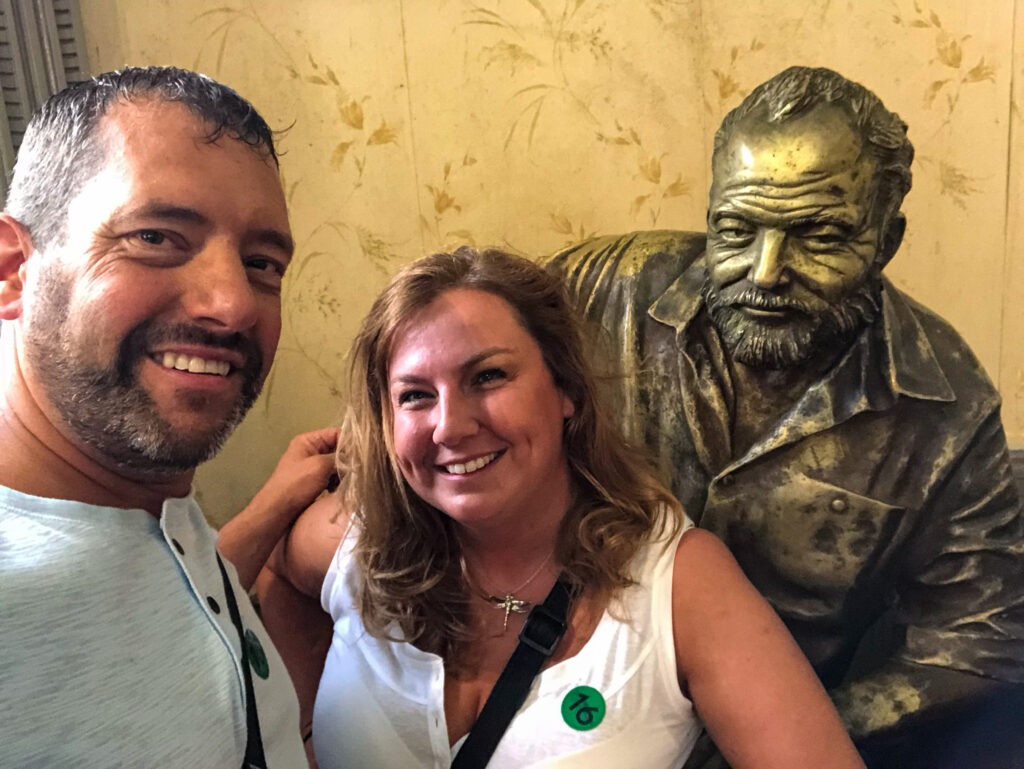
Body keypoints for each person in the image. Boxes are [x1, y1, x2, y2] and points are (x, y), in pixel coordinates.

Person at [545, 66, 1024, 767]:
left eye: (819, 235)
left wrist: (777, 720)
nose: (765, 271)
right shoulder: (600, 289)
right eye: (736, 229)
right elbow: (457, 385)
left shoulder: (945, 404)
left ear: (887, 240)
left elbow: (981, 642)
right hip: (554, 689)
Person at [255, 246, 866, 768]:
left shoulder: (678, 585)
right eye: (415, 395)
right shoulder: (358, 541)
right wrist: (300, 734)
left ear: (565, 390)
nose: (451, 426)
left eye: (488, 377)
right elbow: (278, 577)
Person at [0, 67, 336, 767]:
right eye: (156, 237)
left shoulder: (142, 491)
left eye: (262, 261)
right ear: (13, 269)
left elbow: (138, 593)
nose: (234, 302)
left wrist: (274, 506)